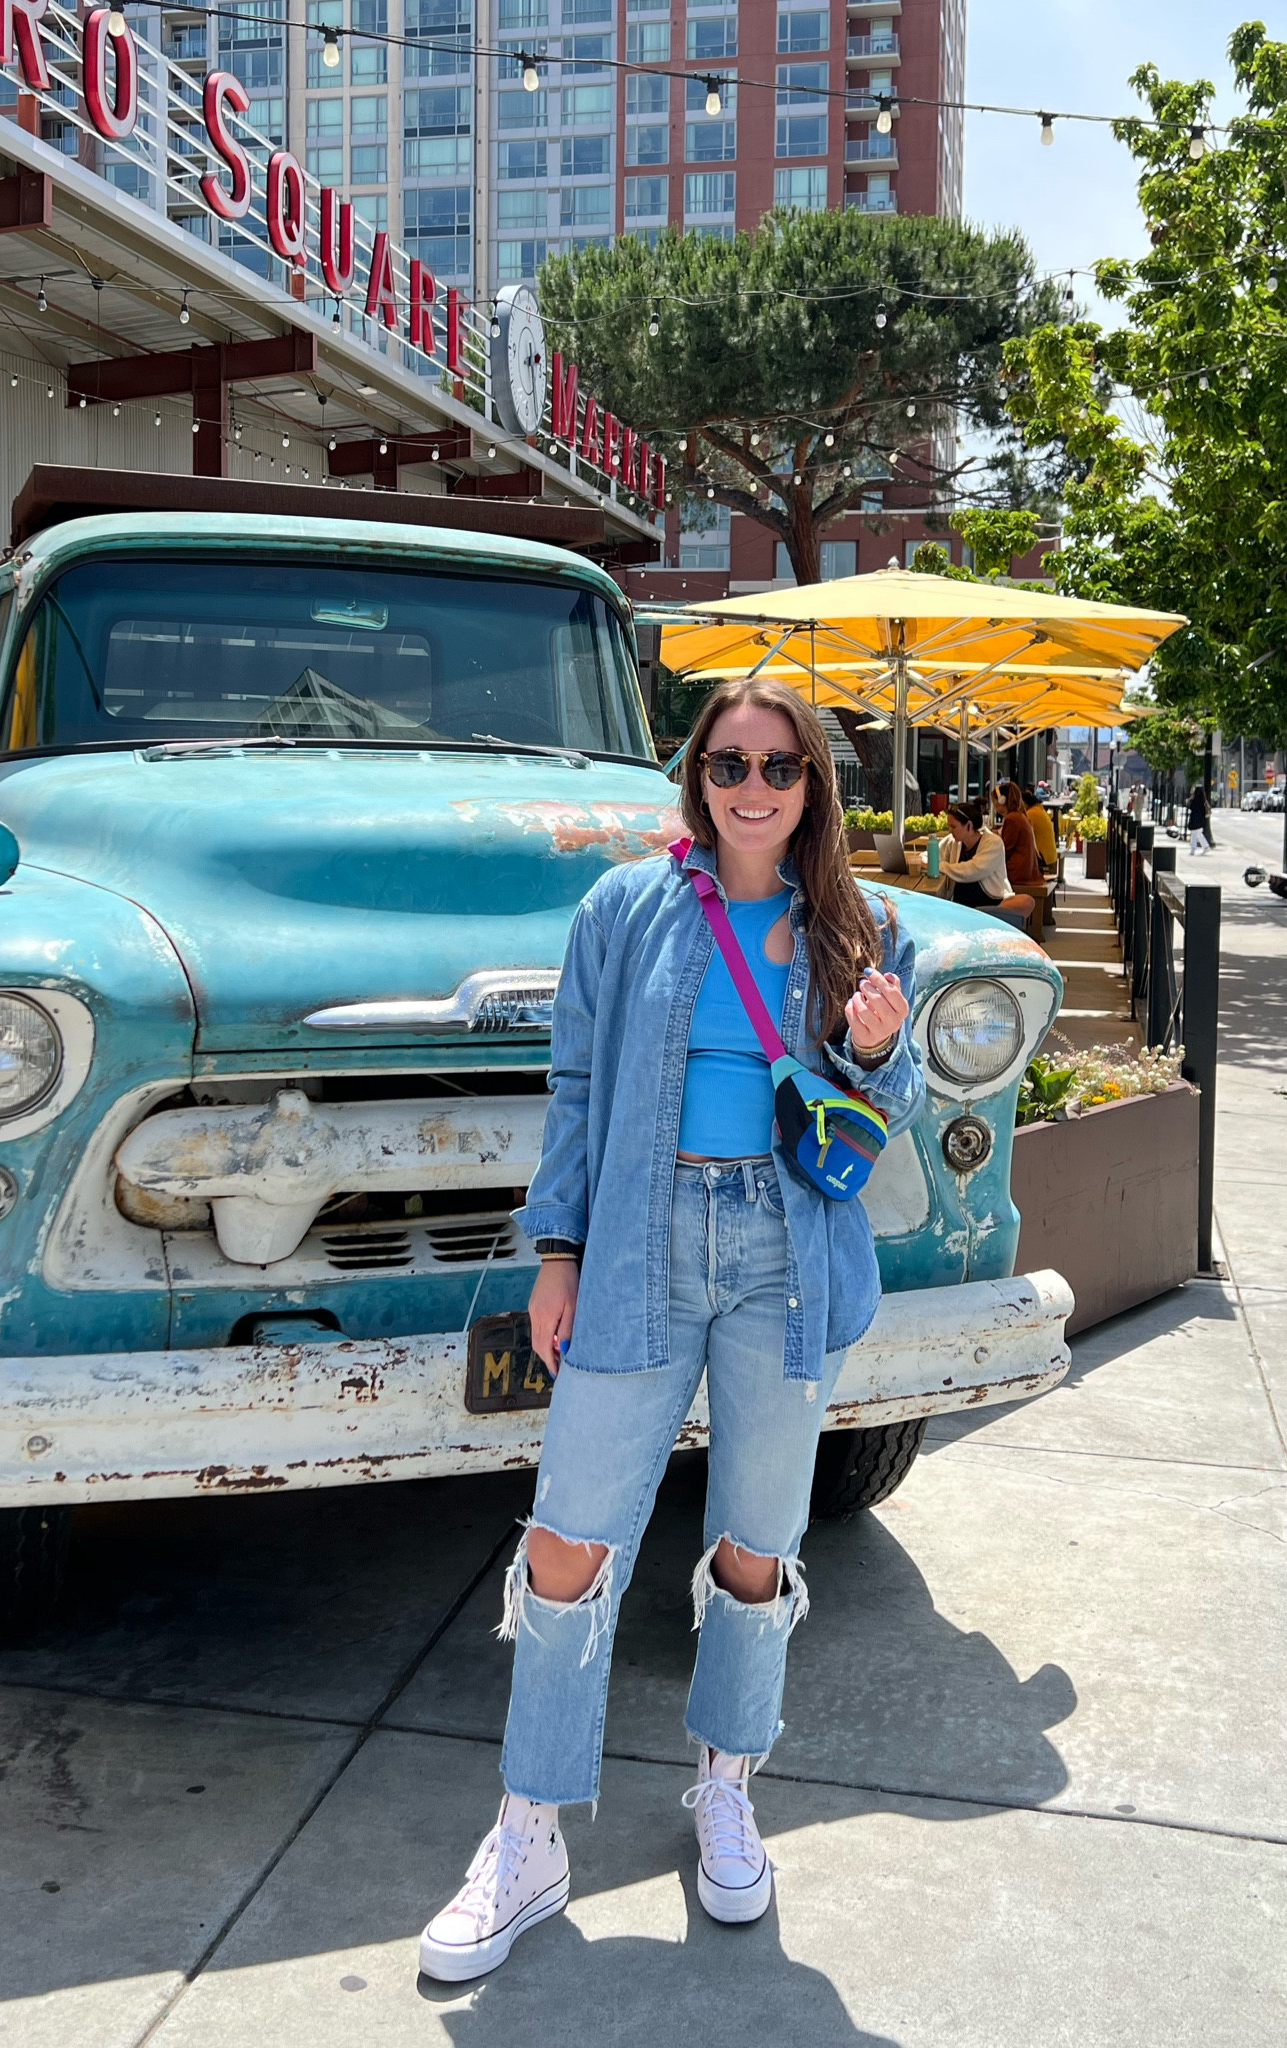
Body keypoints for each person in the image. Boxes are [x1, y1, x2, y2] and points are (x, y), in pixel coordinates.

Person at [418, 679, 924, 1983]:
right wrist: (558, 1250)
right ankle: (529, 1829)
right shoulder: (624, 910)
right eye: (728, 763)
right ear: (696, 775)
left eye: (780, 767)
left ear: (814, 786)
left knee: (756, 1543)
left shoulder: (864, 929)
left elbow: (888, 1108)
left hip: (785, 1256)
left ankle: (726, 1788)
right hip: (641, 1240)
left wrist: (879, 1050)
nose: (752, 787)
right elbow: (576, 1085)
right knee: (567, 1536)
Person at [939, 801, 1036, 924]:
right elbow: (929, 855)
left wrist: (940, 866)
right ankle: (982, 919)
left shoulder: (993, 843)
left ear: (969, 826)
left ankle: (981, 917)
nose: (950, 831)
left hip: (993, 904)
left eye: (953, 827)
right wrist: (929, 863)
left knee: (1027, 901)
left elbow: (973, 870)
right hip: (961, 905)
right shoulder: (952, 842)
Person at [991, 782, 1042, 892]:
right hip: (1026, 870)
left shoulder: (1012, 819)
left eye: (994, 801)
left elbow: (1004, 850)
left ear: (1002, 800)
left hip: (1017, 872)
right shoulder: (1019, 815)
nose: (993, 805)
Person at [1187, 781, 1211, 855]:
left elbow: (1190, 806)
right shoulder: (1203, 800)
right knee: (1198, 834)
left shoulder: (1194, 800)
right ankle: (1206, 847)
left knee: (1195, 834)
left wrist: (1191, 797)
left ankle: (1193, 849)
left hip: (1194, 819)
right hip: (1201, 820)